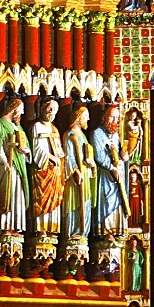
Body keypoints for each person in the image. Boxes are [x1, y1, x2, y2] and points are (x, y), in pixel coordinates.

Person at [0, 97, 31, 234]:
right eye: (20, 109)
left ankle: (15, 225)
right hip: (7, 165)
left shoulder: (18, 127)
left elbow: (26, 147)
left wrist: (25, 151)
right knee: (9, 193)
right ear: (13, 109)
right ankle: (5, 226)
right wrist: (4, 161)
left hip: (19, 164)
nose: (22, 113)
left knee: (18, 195)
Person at [91, 104, 129, 238]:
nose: (115, 121)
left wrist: (125, 157)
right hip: (106, 174)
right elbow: (99, 156)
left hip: (118, 175)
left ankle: (117, 229)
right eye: (112, 117)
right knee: (107, 200)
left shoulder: (116, 135)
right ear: (104, 117)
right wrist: (112, 168)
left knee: (118, 200)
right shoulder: (97, 133)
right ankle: (106, 231)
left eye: (117, 118)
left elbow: (119, 154)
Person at [30, 98, 64, 237]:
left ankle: (51, 227)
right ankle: (41, 228)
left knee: (54, 200)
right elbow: (37, 149)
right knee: (41, 199)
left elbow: (58, 147)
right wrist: (51, 157)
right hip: (42, 168)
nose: (52, 112)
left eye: (55, 109)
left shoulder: (54, 129)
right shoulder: (36, 126)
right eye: (50, 108)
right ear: (43, 108)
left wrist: (60, 155)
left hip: (54, 170)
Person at [61, 105, 96, 242]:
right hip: (75, 177)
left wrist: (92, 165)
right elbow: (69, 156)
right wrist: (75, 170)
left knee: (85, 203)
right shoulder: (70, 134)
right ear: (78, 117)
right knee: (75, 202)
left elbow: (88, 155)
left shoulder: (83, 136)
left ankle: (83, 232)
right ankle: (73, 231)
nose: (88, 118)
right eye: (85, 116)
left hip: (85, 174)